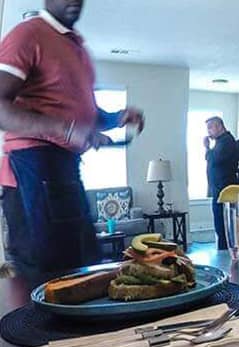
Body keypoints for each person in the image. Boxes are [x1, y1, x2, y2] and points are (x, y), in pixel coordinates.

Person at [0, 0, 145, 281]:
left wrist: (117, 117)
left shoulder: (76, 47)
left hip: (65, 167)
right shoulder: (27, 35)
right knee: (51, 275)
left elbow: (82, 112)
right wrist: (66, 130)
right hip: (33, 166)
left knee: (84, 264)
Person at [204, 116, 239, 250]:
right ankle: (223, 247)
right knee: (220, 220)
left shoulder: (227, 141)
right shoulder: (220, 142)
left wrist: (207, 147)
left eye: (210, 128)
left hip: (224, 188)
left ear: (219, 126)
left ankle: (224, 249)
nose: (208, 132)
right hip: (218, 188)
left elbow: (213, 159)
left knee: (222, 220)